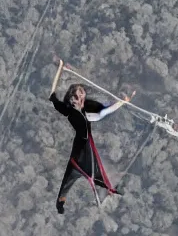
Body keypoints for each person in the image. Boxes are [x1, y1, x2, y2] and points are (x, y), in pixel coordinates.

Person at [49, 60, 134, 213]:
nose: (80, 95)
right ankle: (61, 201)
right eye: (77, 94)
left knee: (90, 172)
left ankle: (108, 189)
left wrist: (122, 102)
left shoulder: (85, 111)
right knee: (76, 174)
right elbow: (53, 94)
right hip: (82, 148)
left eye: (81, 93)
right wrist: (60, 69)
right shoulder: (70, 110)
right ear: (73, 99)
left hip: (84, 147)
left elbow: (103, 112)